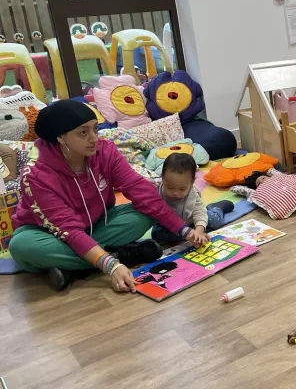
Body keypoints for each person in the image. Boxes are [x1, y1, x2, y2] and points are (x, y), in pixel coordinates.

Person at [8, 99, 202, 292]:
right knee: (21, 247)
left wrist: (183, 230)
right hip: (47, 234)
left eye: (95, 129)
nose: (93, 138)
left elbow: (139, 189)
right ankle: (123, 255)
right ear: (60, 137)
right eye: (83, 132)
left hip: (97, 225)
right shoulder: (36, 174)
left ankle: (73, 268)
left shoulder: (105, 150)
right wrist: (112, 265)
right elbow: (67, 228)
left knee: (145, 211)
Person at [153, 152, 234, 244]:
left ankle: (216, 208)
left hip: (191, 220)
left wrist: (199, 231)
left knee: (214, 222)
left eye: (182, 189)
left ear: (192, 183)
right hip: (169, 225)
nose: (175, 193)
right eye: (170, 187)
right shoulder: (156, 191)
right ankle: (189, 234)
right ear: (162, 178)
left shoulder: (192, 193)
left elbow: (199, 213)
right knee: (157, 235)